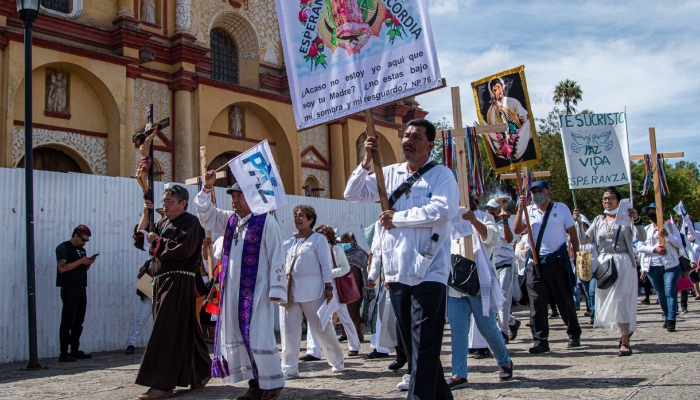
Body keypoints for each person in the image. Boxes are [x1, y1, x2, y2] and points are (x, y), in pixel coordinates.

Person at [345, 118, 459, 399]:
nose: (409, 141)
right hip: (397, 272)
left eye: (417, 137)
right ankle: (441, 395)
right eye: (406, 136)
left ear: (430, 144)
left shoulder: (441, 175)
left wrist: (400, 218)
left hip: (429, 269)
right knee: (412, 344)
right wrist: (367, 161)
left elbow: (443, 210)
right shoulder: (389, 173)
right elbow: (352, 194)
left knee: (423, 343)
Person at [195, 176, 287, 400]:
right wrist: (207, 187)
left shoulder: (266, 222)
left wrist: (277, 288)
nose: (235, 200)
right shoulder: (229, 221)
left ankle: (272, 381)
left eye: (240, 196)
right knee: (239, 336)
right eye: (233, 196)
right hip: (232, 292)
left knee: (258, 337)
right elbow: (205, 214)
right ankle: (255, 383)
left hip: (257, 291)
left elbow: (277, 256)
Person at [135, 184, 211, 400]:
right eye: (163, 201)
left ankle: (161, 383)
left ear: (183, 203)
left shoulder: (191, 223)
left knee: (165, 330)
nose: (165, 205)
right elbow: (141, 239)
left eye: (169, 201)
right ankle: (200, 372)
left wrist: (156, 241)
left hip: (179, 280)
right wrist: (146, 212)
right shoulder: (162, 222)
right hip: (160, 281)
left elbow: (181, 250)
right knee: (184, 328)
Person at [446, 199, 514, 390]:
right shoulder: (448, 220)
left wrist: (474, 222)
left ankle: (505, 361)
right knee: (458, 331)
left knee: (487, 329)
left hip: (479, 284)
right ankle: (459, 375)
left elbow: (492, 238)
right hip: (456, 286)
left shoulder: (484, 217)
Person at [513, 181, 581, 353]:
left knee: (564, 300)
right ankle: (540, 340)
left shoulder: (561, 208)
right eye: (533, 192)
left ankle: (573, 333)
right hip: (535, 263)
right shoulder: (529, 211)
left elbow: (572, 232)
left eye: (539, 191)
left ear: (548, 191)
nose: (537, 194)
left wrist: (578, 254)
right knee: (537, 304)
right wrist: (520, 209)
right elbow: (517, 229)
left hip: (557, 261)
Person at [578, 187, 645, 356]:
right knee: (606, 298)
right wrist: (578, 224)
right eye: (605, 199)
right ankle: (625, 328)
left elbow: (641, 237)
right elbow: (584, 239)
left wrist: (636, 220)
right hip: (604, 262)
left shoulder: (625, 218)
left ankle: (625, 341)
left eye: (611, 198)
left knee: (621, 300)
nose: (607, 201)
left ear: (618, 200)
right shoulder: (598, 220)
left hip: (623, 261)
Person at [280, 205, 345, 379]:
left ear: (310, 219)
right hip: (289, 292)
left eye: (301, 216)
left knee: (322, 327)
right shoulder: (288, 240)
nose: (298, 219)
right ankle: (289, 368)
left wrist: (328, 287)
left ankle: (337, 361)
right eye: (295, 216)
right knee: (289, 330)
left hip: (313, 290)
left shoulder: (318, 239)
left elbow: (326, 265)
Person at [303, 225, 362, 359]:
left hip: (334, 289)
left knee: (342, 317)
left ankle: (353, 345)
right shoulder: (312, 249)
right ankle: (313, 350)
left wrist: (328, 274)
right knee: (315, 317)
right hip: (317, 288)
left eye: (322, 234)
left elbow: (345, 268)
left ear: (328, 236)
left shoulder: (335, 249)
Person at [126, 204, 165, 355]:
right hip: (153, 276)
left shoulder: (177, 229)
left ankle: (161, 345)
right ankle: (131, 343)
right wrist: (146, 213)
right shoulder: (155, 230)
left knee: (163, 317)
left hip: (167, 277)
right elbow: (140, 234)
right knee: (142, 315)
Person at [638, 203, 683, 332]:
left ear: (662, 212)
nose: (653, 214)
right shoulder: (646, 229)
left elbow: (679, 244)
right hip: (653, 265)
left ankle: (671, 319)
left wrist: (667, 235)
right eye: (650, 212)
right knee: (661, 293)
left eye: (655, 211)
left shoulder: (671, 227)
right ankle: (666, 314)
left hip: (671, 264)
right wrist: (654, 249)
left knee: (670, 291)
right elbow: (640, 247)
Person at [55, 225, 96, 362]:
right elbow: (62, 268)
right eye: (83, 240)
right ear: (76, 235)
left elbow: (81, 270)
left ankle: (74, 349)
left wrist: (88, 263)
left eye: (86, 241)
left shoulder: (81, 250)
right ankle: (64, 352)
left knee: (78, 321)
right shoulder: (64, 248)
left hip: (80, 287)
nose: (84, 243)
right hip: (69, 288)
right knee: (68, 321)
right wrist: (81, 261)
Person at [484, 198, 521, 342]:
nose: (490, 212)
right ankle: (512, 322)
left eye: (493, 209)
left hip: (505, 264)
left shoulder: (507, 222)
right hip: (491, 265)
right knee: (493, 300)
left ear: (499, 209)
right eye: (489, 209)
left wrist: (505, 221)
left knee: (503, 300)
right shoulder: (486, 223)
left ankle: (503, 331)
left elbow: (509, 238)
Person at [483, 78, 535, 168]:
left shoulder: (513, 102)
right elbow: (491, 127)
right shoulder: (491, 109)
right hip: (502, 143)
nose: (498, 91)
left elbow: (524, 118)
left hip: (517, 139)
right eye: (494, 90)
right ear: (492, 92)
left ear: (503, 87)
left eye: (499, 88)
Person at [569, 214, 598, 325]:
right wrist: (569, 243)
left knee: (592, 292)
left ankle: (595, 315)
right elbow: (571, 255)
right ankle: (592, 312)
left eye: (581, 224)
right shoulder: (575, 240)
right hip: (582, 269)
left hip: (594, 268)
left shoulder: (593, 238)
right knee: (587, 294)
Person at [339, 232, 368, 343]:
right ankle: (344, 333)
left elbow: (364, 270)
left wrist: (364, 287)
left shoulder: (360, 253)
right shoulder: (339, 253)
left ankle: (359, 334)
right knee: (341, 311)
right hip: (341, 286)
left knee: (355, 311)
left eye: (347, 241)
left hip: (355, 287)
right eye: (343, 242)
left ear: (354, 242)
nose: (345, 244)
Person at [132, 123, 159, 194]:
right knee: (137, 176)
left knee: (142, 176)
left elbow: (152, 135)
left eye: (138, 139)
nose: (137, 141)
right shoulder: (141, 145)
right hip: (142, 160)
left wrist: (156, 129)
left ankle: (147, 188)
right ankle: (144, 188)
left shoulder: (146, 141)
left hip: (146, 159)